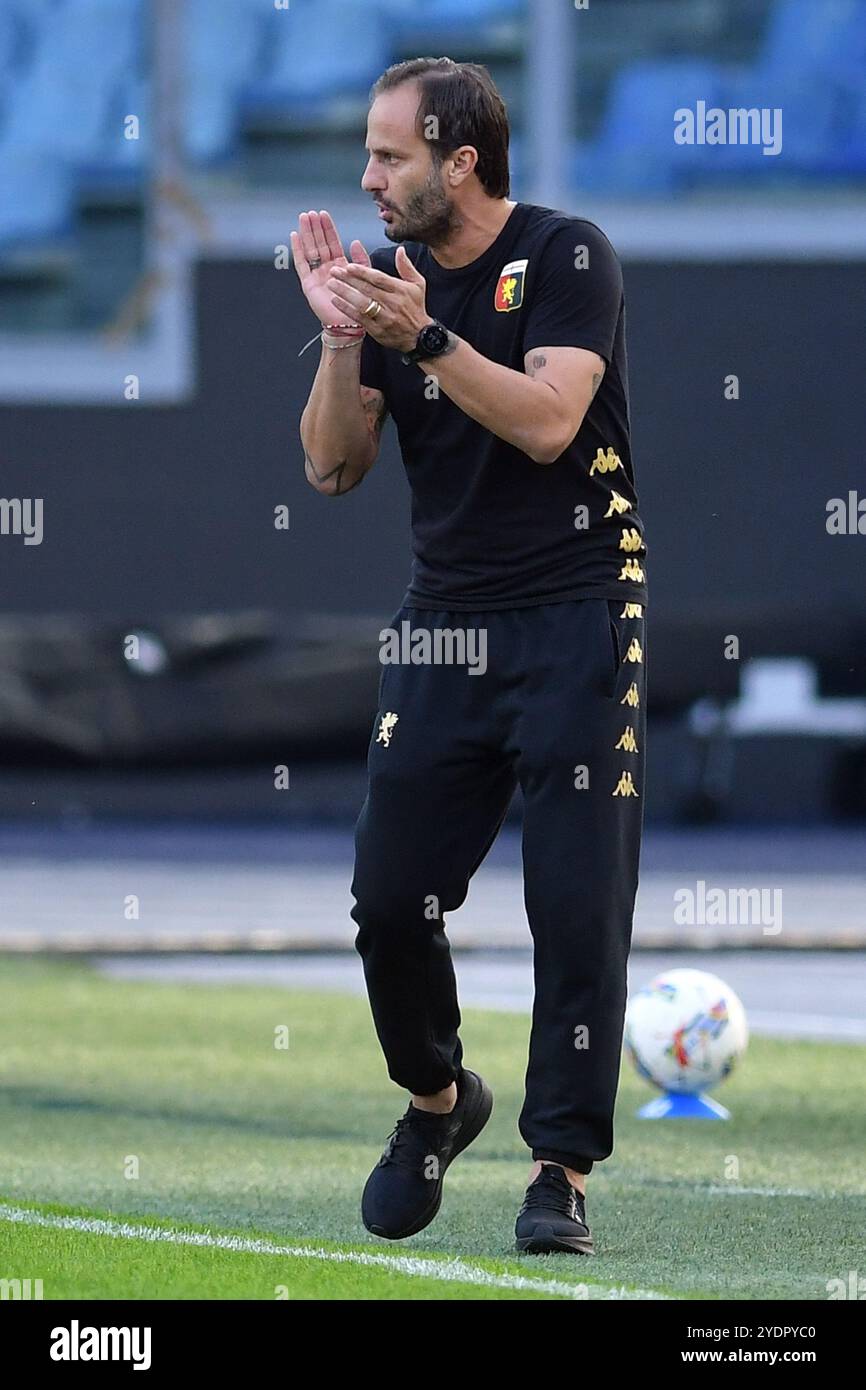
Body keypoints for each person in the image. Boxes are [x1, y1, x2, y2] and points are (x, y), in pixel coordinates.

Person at [293, 57, 647, 1256]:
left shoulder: (565, 255)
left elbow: (550, 422)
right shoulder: (388, 290)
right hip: (447, 617)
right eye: (368, 153)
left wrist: (425, 333)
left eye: (389, 155)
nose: (367, 177)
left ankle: (560, 1171)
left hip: (579, 606)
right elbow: (331, 469)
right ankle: (439, 1103)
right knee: (390, 895)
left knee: (574, 900)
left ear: (460, 162)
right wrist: (347, 338)